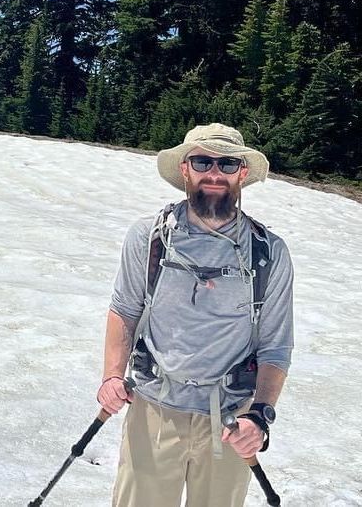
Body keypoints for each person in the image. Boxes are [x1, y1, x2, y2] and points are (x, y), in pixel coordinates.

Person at [98, 123, 294, 507]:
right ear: (185, 169)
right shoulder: (149, 238)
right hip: (154, 407)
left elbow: (276, 345)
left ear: (243, 172)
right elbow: (124, 310)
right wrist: (111, 376)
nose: (214, 173)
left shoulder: (269, 252)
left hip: (230, 421)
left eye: (227, 163)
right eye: (203, 161)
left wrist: (259, 416)